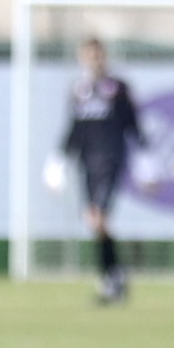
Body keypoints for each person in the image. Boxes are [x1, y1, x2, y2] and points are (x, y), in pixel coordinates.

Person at [59, 39, 144, 303]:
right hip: (87, 164)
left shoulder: (117, 88)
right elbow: (73, 130)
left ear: (104, 57)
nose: (93, 61)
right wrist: (59, 160)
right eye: (88, 56)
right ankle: (113, 277)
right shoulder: (78, 90)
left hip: (111, 161)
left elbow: (133, 125)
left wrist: (146, 159)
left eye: (97, 56)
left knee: (99, 220)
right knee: (94, 222)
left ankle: (112, 281)